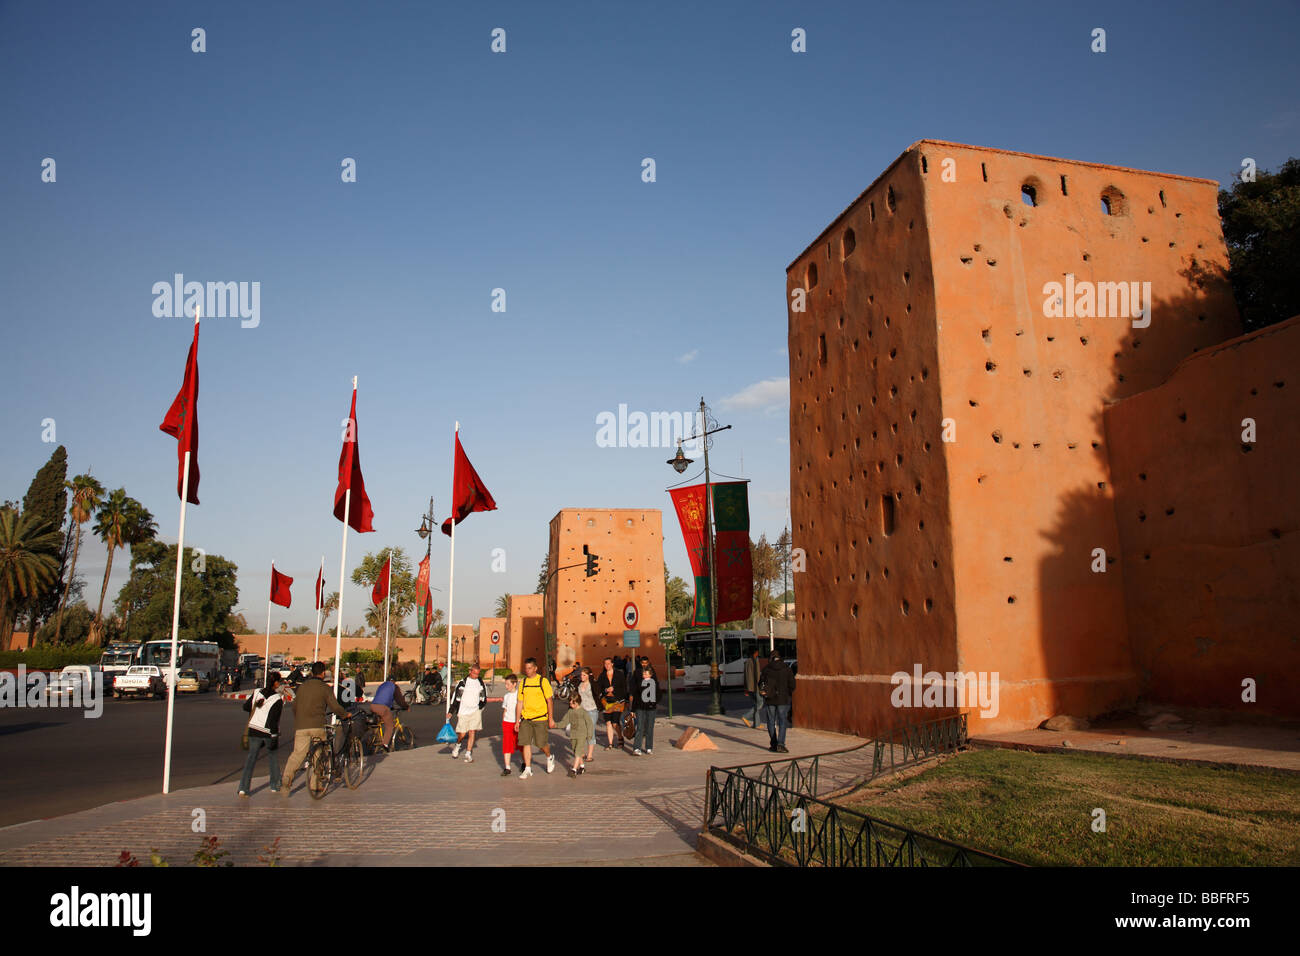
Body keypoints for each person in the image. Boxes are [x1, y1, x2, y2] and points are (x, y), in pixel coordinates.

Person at [280, 661, 351, 794]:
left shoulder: (302, 687)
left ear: (312, 672)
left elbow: (295, 707)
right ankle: (315, 783)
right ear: (323, 673)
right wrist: (345, 714)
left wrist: (300, 719)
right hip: (317, 726)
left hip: (301, 726)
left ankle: (287, 778)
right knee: (319, 754)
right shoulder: (324, 688)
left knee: (297, 755)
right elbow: (335, 707)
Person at [238, 673, 285, 796]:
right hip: (268, 732)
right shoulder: (277, 699)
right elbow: (274, 721)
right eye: (279, 682)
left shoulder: (257, 692)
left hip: (253, 729)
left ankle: (243, 788)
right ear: (276, 683)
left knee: (251, 759)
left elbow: (246, 707)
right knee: (273, 757)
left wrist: (257, 708)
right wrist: (274, 736)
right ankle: (275, 785)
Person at [515, 657, 555, 778]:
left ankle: (549, 756)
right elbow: (520, 702)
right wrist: (517, 720)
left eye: (529, 668)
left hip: (540, 718)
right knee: (525, 743)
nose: (527, 670)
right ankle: (528, 768)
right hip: (526, 718)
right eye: (526, 668)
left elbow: (549, 701)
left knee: (541, 744)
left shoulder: (543, 681)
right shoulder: (523, 683)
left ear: (535, 668)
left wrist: (551, 718)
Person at [449, 663, 488, 762]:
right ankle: (458, 745)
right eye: (474, 673)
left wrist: (480, 707)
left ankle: (468, 753)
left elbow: (484, 696)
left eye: (477, 674)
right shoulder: (463, 683)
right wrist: (451, 711)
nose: (476, 676)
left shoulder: (480, 683)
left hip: (475, 711)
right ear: (470, 672)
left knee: (472, 731)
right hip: (463, 711)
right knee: (462, 733)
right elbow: (456, 698)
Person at [759, 650, 796, 753]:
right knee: (782, 721)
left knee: (771, 721)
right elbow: (792, 684)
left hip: (770, 699)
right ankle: (781, 744)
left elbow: (760, 684)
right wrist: (787, 693)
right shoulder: (786, 669)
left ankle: (774, 743)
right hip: (783, 699)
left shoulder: (766, 669)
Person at [594, 657, 628, 750]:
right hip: (607, 702)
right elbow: (599, 688)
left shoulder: (619, 674)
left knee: (615, 722)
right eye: (605, 664)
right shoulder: (602, 675)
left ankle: (620, 738)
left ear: (612, 664)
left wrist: (615, 690)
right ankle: (610, 744)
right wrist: (605, 690)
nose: (607, 666)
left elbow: (624, 687)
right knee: (608, 722)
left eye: (608, 664)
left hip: (618, 701)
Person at [369, 675, 409, 751]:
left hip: (373, 706)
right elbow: (399, 699)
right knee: (390, 726)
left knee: (378, 721)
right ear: (394, 681)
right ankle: (385, 744)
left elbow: (382, 697)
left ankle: (374, 735)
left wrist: (390, 706)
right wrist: (406, 707)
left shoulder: (382, 685)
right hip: (382, 708)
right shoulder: (394, 686)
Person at [490, 673, 519, 776]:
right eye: (505, 684)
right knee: (507, 744)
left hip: (517, 722)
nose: (506, 686)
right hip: (507, 722)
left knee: (520, 744)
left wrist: (519, 721)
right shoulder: (506, 696)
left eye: (508, 684)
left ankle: (524, 763)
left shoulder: (519, 695)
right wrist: (503, 721)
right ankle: (507, 767)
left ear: (514, 684)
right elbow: (505, 710)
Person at [557, 695, 593, 776]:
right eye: (569, 702)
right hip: (573, 734)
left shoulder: (583, 711)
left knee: (578, 751)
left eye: (572, 703)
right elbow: (564, 722)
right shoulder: (570, 711)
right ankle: (582, 767)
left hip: (582, 734)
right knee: (575, 750)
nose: (570, 704)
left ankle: (574, 769)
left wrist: (589, 734)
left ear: (577, 702)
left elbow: (589, 723)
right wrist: (555, 725)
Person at [630, 662, 659, 755]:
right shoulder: (639, 684)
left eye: (646, 673)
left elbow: (659, 695)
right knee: (640, 728)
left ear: (650, 674)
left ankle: (649, 747)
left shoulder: (654, 683)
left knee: (650, 728)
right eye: (643, 673)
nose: (644, 675)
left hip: (651, 709)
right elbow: (636, 697)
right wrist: (632, 710)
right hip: (640, 708)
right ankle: (636, 748)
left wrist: (653, 703)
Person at [576, 666, 599, 762]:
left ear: (588, 675)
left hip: (592, 710)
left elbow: (598, 692)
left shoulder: (592, 684)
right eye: (581, 675)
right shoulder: (579, 685)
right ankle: (581, 752)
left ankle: (589, 755)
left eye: (584, 675)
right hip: (582, 710)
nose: (582, 676)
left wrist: (593, 680)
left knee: (590, 732)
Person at [742, 648, 765, 730]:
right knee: (760, 703)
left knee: (755, 704)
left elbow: (745, 675)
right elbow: (758, 675)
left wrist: (745, 688)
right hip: (755, 687)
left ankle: (757, 723)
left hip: (749, 686)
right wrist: (760, 686)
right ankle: (746, 716)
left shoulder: (747, 662)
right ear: (755, 653)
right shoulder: (755, 661)